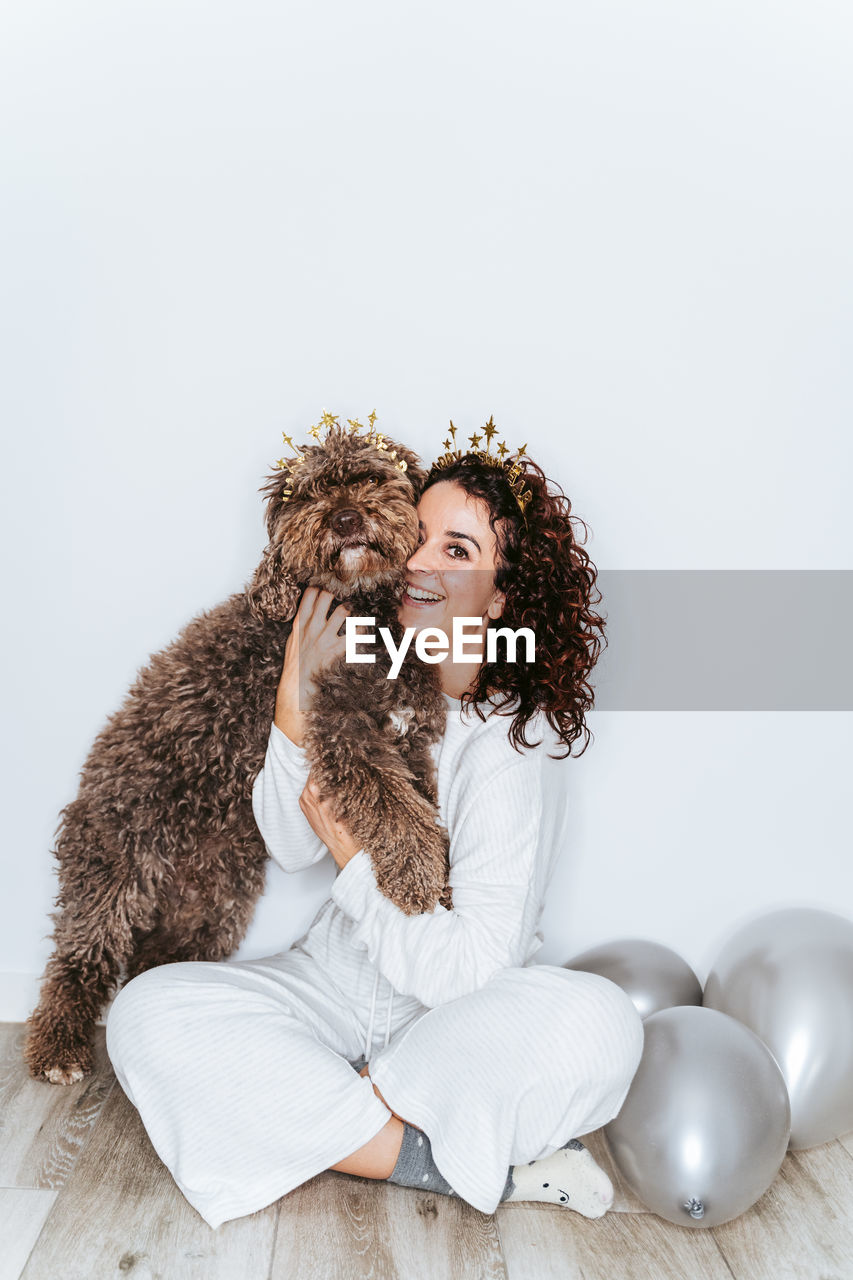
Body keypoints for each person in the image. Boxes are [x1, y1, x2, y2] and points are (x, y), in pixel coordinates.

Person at [105, 438, 644, 1230]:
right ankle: (444, 1158)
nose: (420, 563)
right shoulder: (374, 677)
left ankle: (319, 1104)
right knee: (146, 1011)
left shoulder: (506, 751)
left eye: (456, 550)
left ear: (500, 597)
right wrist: (294, 697)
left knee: (601, 1026)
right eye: (416, 537)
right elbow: (290, 846)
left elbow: (462, 977)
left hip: (449, 1023)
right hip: (327, 986)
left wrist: (356, 857)